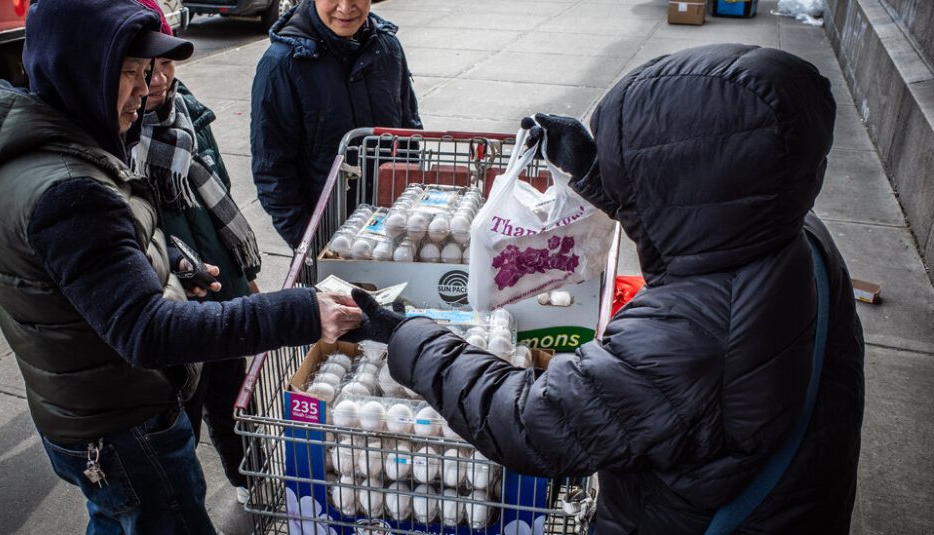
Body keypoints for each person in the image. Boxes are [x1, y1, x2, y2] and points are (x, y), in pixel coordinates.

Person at [345, 44, 865, 533]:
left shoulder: (683, 334)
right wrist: (595, 172)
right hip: (794, 503)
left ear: (678, 176)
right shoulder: (795, 233)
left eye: (632, 164)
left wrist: (409, 336)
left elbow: (530, 422)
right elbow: (692, 227)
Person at [0, 0, 361, 533]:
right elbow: (145, 330)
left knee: (117, 520)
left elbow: (76, 278)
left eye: (148, 73)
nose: (146, 89)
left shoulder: (28, 152)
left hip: (82, 413)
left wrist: (171, 266)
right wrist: (302, 311)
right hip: (122, 425)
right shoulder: (70, 188)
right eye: (131, 73)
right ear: (82, 69)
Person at [131, 0, 262, 506]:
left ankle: (251, 482)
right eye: (145, 68)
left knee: (235, 403)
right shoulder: (118, 140)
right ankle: (186, 500)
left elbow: (222, 199)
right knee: (183, 413)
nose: (158, 79)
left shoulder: (189, 115)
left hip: (222, 288)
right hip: (171, 305)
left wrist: (245, 272)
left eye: (165, 65)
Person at [250, 0, 423, 249]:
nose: (345, 7)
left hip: (390, 231)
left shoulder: (388, 48)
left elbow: (409, 128)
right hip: (328, 239)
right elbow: (272, 171)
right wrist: (311, 243)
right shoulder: (281, 63)